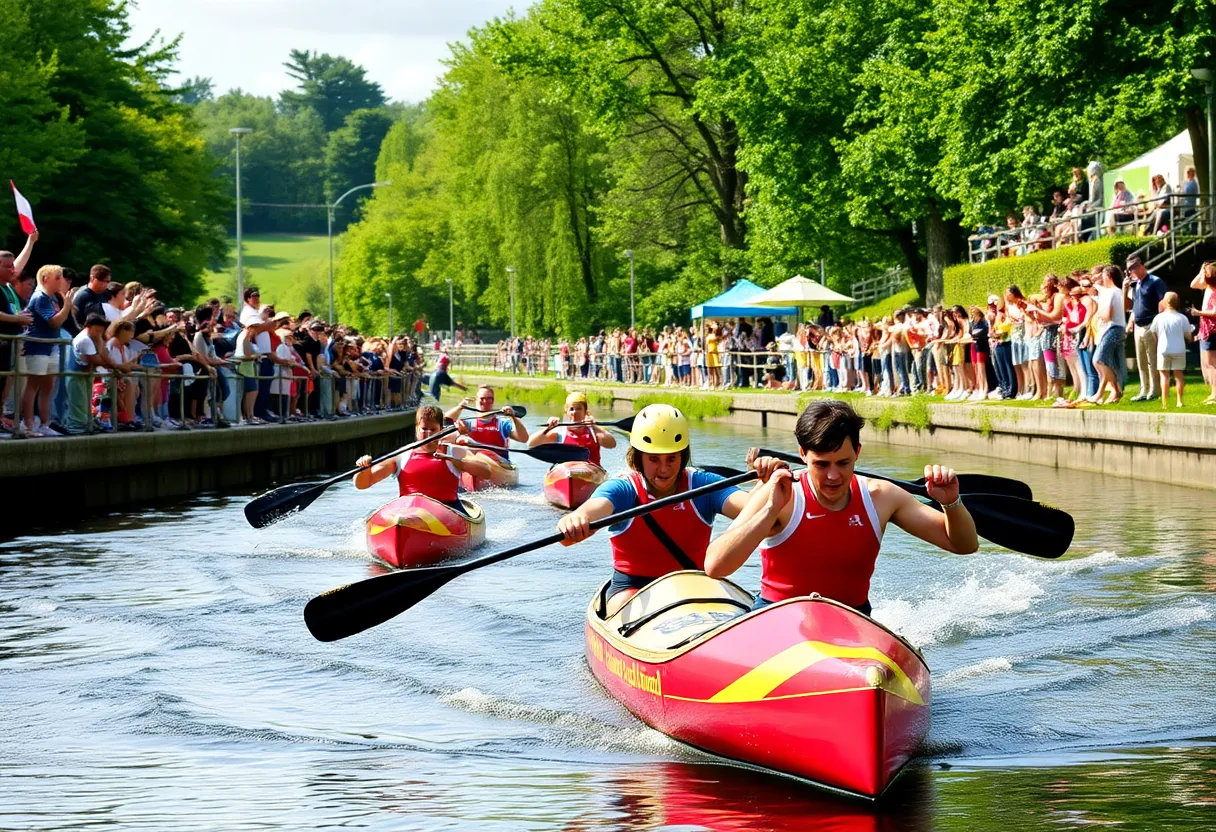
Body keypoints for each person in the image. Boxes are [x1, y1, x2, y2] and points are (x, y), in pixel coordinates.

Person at [704, 400, 978, 615]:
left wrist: (950, 502)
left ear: (857, 452)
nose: (833, 476)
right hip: (779, 619)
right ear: (803, 454)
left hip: (853, 620)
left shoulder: (881, 496)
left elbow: (964, 545)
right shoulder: (780, 493)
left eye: (843, 463)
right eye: (821, 464)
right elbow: (715, 566)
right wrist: (769, 510)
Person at [556, 404, 782, 615]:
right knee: (635, 613)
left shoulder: (703, 485)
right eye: (654, 459)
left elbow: (760, 516)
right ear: (638, 458)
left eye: (671, 458)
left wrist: (765, 483)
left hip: (695, 587)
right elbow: (590, 511)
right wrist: (575, 520)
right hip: (633, 589)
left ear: (682, 456)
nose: (664, 469)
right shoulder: (623, 489)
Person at [353, 405, 488, 514]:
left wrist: (456, 461)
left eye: (432, 429)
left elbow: (486, 472)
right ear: (417, 429)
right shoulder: (402, 455)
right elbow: (363, 483)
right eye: (424, 429)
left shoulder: (454, 451)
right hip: (409, 512)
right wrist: (363, 469)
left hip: (447, 510)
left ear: (441, 430)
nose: (428, 433)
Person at [20, 265, 75, 435]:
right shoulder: (40, 297)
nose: (61, 281)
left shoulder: (52, 298)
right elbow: (54, 322)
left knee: (48, 387)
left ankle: (45, 424)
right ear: (45, 279)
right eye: (57, 277)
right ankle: (27, 424)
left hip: (51, 346)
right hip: (38, 346)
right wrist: (67, 305)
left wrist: (64, 304)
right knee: (33, 385)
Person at [527, 391, 617, 466]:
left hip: (591, 471)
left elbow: (612, 444)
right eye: (571, 409)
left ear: (585, 411)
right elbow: (531, 444)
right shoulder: (560, 432)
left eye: (579, 409)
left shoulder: (593, 431)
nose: (574, 412)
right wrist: (548, 428)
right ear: (567, 412)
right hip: (566, 471)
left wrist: (594, 426)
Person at [444, 385, 529, 460]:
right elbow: (445, 421)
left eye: (489, 399)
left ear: (493, 401)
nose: (485, 401)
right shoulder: (468, 422)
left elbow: (524, 439)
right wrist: (460, 407)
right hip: (474, 461)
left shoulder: (503, 423)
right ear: (476, 400)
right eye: (482, 398)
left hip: (499, 462)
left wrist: (513, 417)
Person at [1124, 256, 1167, 401]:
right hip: (1138, 325)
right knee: (1141, 360)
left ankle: (1155, 390)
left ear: (1142, 265)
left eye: (1134, 267)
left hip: (1151, 323)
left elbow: (1163, 302)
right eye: (1130, 269)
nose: (1132, 271)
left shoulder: (1155, 281)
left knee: (1152, 359)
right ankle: (1144, 389)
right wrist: (1131, 322)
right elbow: (1132, 307)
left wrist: (1158, 323)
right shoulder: (1135, 285)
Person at [1149, 292, 1193, 409]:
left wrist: (1158, 342)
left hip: (1163, 348)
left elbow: (1153, 333)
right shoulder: (1182, 318)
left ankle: (1164, 403)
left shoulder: (1158, 318)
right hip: (1179, 348)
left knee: (1164, 376)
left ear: (1165, 302)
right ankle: (1179, 401)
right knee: (1179, 375)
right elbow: (1188, 335)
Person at [1091, 264, 1127, 405]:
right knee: (1111, 362)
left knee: (1098, 360)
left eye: (1104, 276)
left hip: (1113, 329)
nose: (1102, 279)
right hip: (1115, 329)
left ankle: (1115, 390)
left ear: (1108, 276)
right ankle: (1113, 392)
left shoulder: (1113, 292)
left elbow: (1107, 315)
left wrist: (1099, 312)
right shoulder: (1116, 291)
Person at [1187, 261, 1216, 404]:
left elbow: (1215, 313)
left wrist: (1198, 313)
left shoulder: (1214, 290)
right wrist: (1201, 271)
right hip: (1206, 329)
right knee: (1207, 363)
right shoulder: (1209, 287)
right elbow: (1193, 284)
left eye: (1205, 274)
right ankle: (1212, 392)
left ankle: (1214, 394)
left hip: (1212, 330)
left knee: (1211, 363)